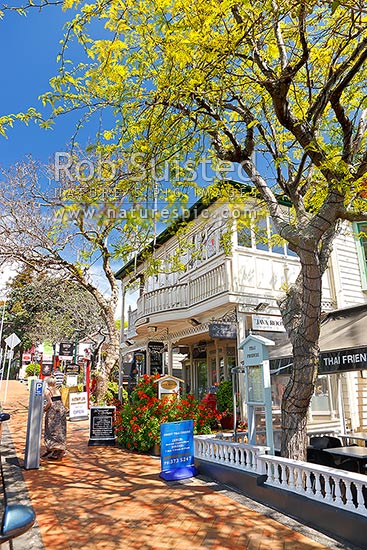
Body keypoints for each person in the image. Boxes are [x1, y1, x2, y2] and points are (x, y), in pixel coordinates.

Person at [42, 376, 67, 460]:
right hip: (61, 409)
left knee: (51, 429)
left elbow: (50, 403)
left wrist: (44, 409)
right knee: (60, 429)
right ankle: (59, 449)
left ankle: (54, 448)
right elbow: (61, 400)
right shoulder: (57, 389)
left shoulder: (47, 390)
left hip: (53, 411)